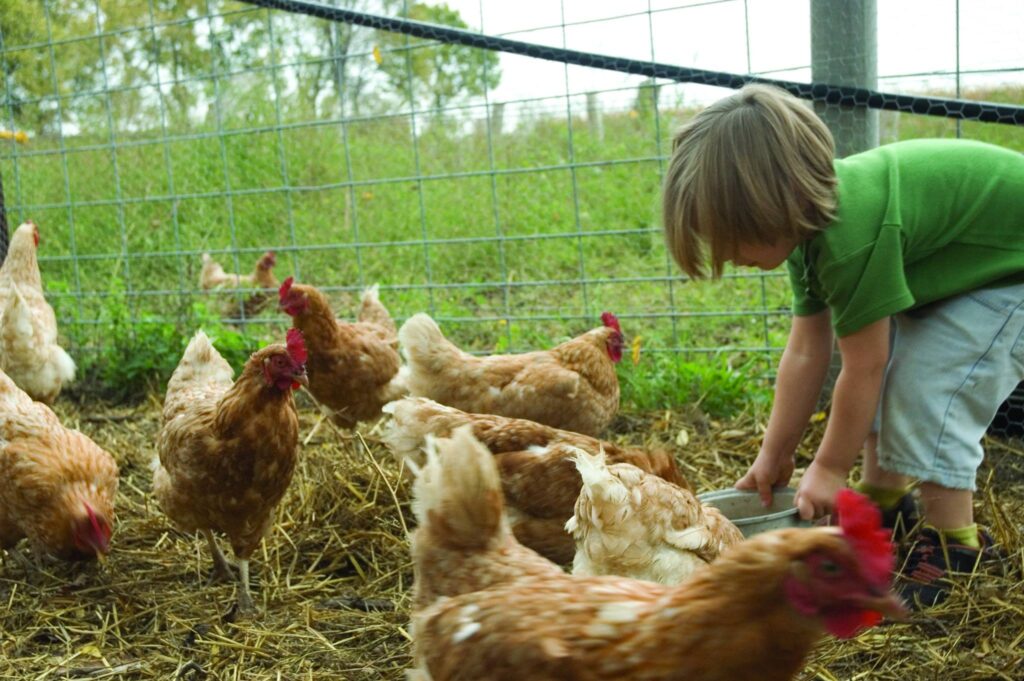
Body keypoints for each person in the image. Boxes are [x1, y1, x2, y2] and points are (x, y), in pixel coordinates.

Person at [661, 83, 1022, 607]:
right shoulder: (805, 234)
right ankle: (884, 503)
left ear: (771, 206)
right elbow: (807, 350)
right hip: (970, 270)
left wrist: (829, 468)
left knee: (930, 384)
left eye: (731, 237)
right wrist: (775, 454)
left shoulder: (850, 237)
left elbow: (864, 366)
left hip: (1011, 272)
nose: (729, 254)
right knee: (901, 360)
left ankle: (954, 549)